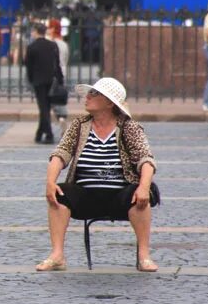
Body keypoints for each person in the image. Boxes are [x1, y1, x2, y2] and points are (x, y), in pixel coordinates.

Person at [37, 77, 159, 272]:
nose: (87, 97)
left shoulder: (128, 127)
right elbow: (60, 155)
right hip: (86, 195)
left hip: (120, 194)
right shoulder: (79, 125)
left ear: (110, 103)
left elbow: (146, 160)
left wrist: (144, 187)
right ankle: (57, 255)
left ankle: (144, 256)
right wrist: (50, 182)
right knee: (59, 193)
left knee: (139, 195)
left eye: (94, 93)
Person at [25, 22, 63, 144]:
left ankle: (49, 134)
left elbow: (29, 66)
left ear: (36, 32)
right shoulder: (52, 45)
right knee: (45, 106)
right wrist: (60, 79)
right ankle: (39, 133)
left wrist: (31, 79)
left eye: (32, 31)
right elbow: (57, 65)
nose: (32, 33)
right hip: (51, 80)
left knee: (43, 107)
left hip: (38, 80)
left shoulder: (32, 47)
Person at [49, 19, 69, 132]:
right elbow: (65, 59)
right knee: (60, 97)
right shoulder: (64, 44)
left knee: (49, 98)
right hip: (62, 72)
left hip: (52, 73)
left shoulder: (51, 43)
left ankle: (58, 117)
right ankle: (62, 117)